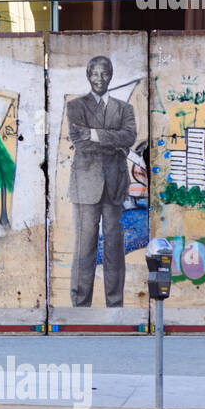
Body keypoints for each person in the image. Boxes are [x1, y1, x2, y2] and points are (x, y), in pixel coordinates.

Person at [66, 55, 137, 308]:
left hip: (115, 184)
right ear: (88, 76)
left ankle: (115, 304)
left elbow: (129, 137)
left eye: (104, 73)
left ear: (111, 75)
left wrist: (94, 134)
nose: (99, 79)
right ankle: (80, 304)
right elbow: (79, 140)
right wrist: (111, 140)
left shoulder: (124, 108)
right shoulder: (75, 106)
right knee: (84, 248)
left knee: (114, 248)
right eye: (95, 74)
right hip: (85, 186)